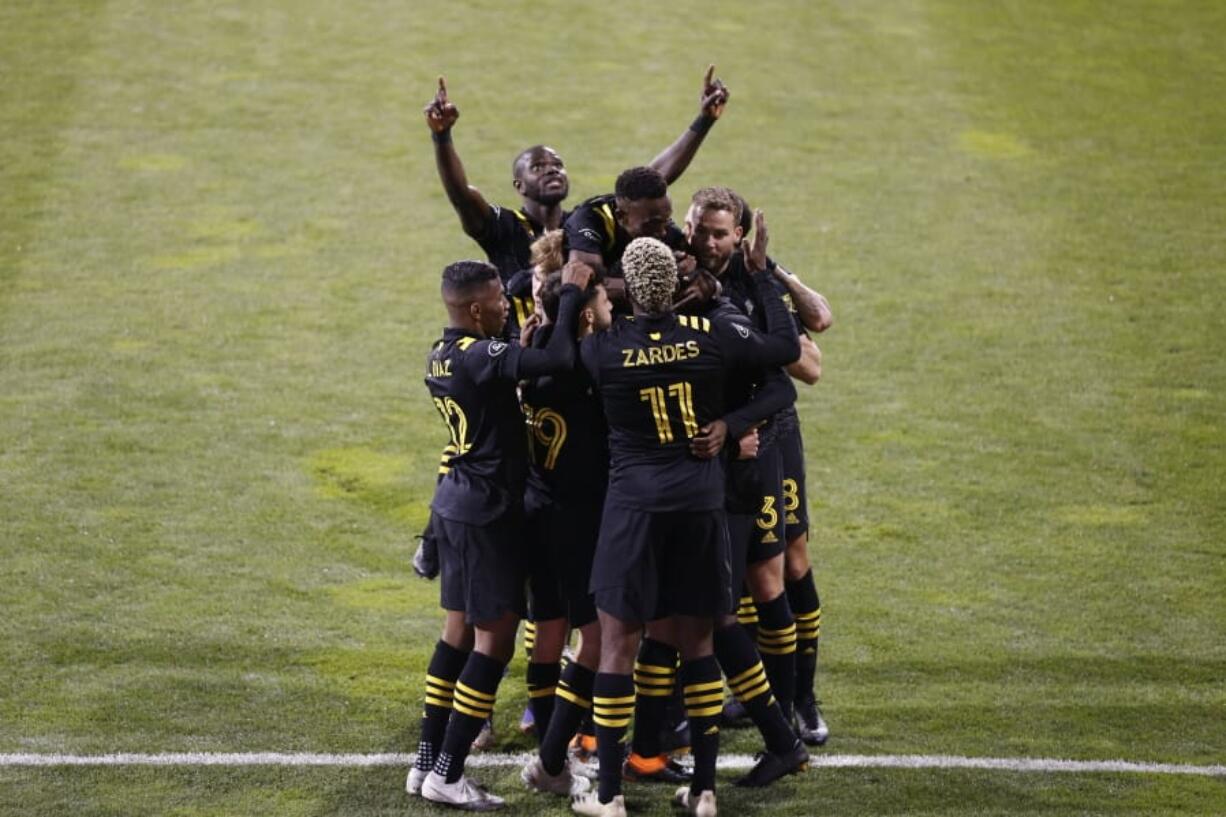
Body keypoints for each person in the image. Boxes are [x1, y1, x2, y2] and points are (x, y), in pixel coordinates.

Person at [570, 237, 799, 817]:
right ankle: (703, 792)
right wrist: (730, 421)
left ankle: (609, 796)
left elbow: (556, 355)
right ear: (673, 284)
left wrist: (577, 299)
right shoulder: (711, 334)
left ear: (625, 286)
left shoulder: (603, 349)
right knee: (699, 646)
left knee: (618, 648)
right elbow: (782, 367)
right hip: (699, 506)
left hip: (632, 512)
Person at [406, 258, 594, 811]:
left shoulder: (441, 354)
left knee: (455, 636)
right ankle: (448, 773)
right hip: (488, 512)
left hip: (456, 503)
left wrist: (522, 339)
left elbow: (508, 367)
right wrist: (570, 302)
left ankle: (424, 764)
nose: (502, 308)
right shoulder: (479, 353)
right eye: (494, 302)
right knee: (494, 644)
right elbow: (558, 358)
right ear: (472, 308)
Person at [423, 67, 729, 284]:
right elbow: (461, 195)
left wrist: (703, 120)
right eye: (538, 167)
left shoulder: (583, 223)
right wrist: (442, 137)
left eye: (557, 164)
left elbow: (649, 182)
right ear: (519, 185)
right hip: (522, 349)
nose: (552, 169)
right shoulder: (503, 227)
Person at [518, 271, 616, 797]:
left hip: (537, 508)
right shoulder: (581, 368)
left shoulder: (533, 359)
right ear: (583, 312)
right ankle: (552, 759)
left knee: (549, 628)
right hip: (578, 519)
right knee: (597, 637)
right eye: (602, 300)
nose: (609, 308)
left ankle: (550, 743)